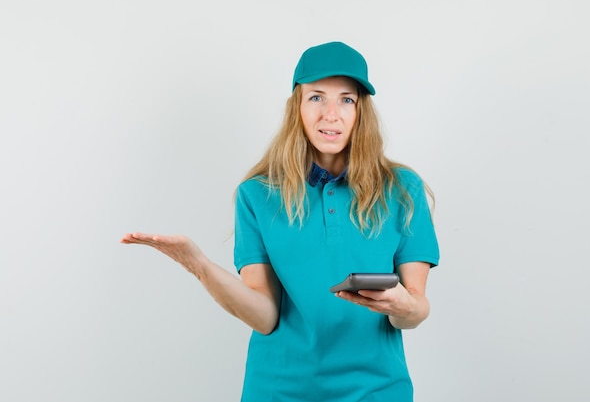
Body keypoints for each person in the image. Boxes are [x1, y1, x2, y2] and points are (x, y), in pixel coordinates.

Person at [121, 41, 440, 402]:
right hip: (278, 390)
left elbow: (415, 309)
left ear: (361, 111)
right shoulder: (256, 194)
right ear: (297, 108)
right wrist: (199, 266)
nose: (331, 114)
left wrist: (403, 306)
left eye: (346, 99)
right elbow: (265, 315)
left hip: (378, 390)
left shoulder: (402, 189)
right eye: (316, 97)